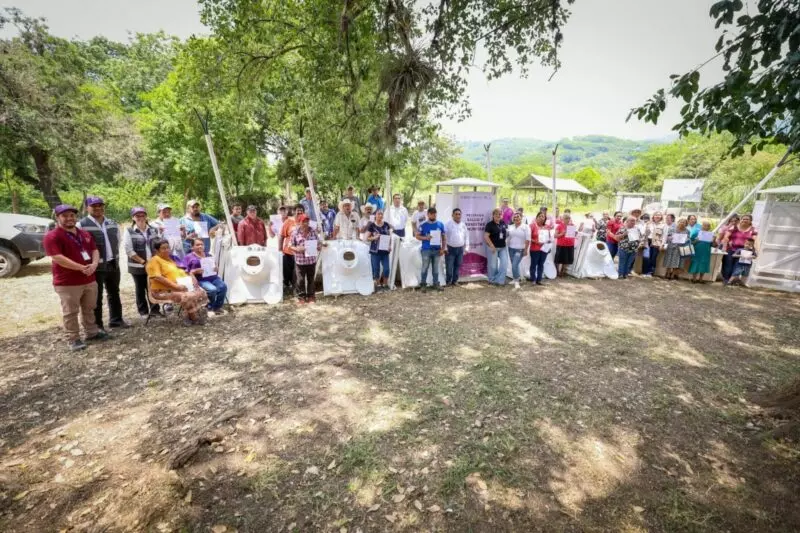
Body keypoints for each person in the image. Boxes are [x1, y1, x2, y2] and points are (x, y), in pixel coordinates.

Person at [44, 204, 110, 350]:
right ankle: (73, 338)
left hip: (89, 278)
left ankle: (91, 332)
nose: (69, 218)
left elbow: (94, 250)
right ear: (57, 217)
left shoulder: (84, 234)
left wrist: (93, 264)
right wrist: (80, 267)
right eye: (65, 216)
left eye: (72, 215)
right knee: (70, 311)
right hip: (68, 282)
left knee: (89, 307)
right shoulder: (52, 236)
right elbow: (57, 257)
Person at [77, 196, 128, 330]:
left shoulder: (112, 223)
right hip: (96, 267)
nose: (98, 208)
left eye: (100, 205)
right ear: (87, 208)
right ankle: (98, 325)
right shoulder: (81, 225)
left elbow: (119, 239)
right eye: (94, 206)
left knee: (114, 292)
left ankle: (116, 320)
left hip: (113, 263)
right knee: (96, 297)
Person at [146, 238, 209, 325]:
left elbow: (183, 271)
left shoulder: (171, 259)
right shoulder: (154, 260)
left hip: (180, 287)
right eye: (163, 248)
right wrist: (176, 287)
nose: (167, 250)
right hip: (162, 291)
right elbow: (157, 277)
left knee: (200, 291)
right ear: (157, 250)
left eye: (168, 247)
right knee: (187, 296)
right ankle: (194, 317)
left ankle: (187, 314)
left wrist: (191, 277)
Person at [123, 207, 161, 318]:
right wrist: (143, 262)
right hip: (137, 266)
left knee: (153, 287)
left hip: (153, 265)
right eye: (137, 216)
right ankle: (143, 312)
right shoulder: (129, 231)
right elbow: (129, 250)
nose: (140, 218)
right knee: (140, 289)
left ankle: (155, 310)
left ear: (146, 216)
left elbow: (158, 246)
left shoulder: (154, 229)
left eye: (142, 215)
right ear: (133, 218)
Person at [184, 238, 228, 315]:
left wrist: (215, 268)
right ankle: (209, 308)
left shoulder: (208, 255)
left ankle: (217, 307)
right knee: (212, 289)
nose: (200, 246)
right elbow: (186, 271)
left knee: (223, 287)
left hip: (212, 277)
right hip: (200, 279)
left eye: (202, 244)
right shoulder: (188, 257)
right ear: (192, 247)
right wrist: (195, 271)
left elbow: (214, 267)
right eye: (197, 245)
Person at [289, 215, 322, 303]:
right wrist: (297, 249)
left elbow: (318, 243)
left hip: (311, 260)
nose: (306, 223)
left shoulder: (313, 231)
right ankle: (301, 297)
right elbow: (290, 246)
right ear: (299, 222)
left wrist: (319, 247)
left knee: (311, 279)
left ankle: (311, 296)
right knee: (300, 280)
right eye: (304, 221)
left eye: (307, 221)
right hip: (300, 261)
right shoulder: (295, 232)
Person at [416, 207, 446, 292]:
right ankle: (423, 284)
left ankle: (436, 284)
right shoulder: (423, 225)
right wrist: (426, 238)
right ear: (428, 214)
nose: (434, 215)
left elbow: (444, 238)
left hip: (437, 250)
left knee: (436, 268)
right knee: (425, 267)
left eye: (435, 213)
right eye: (432, 214)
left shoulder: (440, 224)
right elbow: (417, 236)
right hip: (426, 250)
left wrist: (443, 249)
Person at [721, 213, 757, 283]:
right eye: (743, 219)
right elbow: (726, 236)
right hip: (731, 249)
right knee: (728, 265)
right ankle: (726, 279)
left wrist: (756, 250)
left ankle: (731, 280)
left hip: (744, 251)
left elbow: (755, 240)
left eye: (747, 219)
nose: (745, 220)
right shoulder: (734, 227)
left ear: (750, 221)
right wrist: (725, 245)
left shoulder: (753, 229)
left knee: (737, 266)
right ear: (740, 220)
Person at [366, 209, 393, 291]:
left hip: (385, 251)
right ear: (375, 215)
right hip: (375, 251)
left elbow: (389, 236)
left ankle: (385, 284)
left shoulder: (386, 225)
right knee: (376, 269)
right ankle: (377, 285)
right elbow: (367, 238)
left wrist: (389, 245)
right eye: (379, 214)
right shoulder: (371, 226)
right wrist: (374, 237)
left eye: (381, 214)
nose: (380, 216)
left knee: (386, 269)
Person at [280, 205, 305, 289]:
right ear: (294, 211)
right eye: (298, 210)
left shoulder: (305, 221)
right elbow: (281, 235)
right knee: (287, 271)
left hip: (299, 252)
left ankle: (296, 288)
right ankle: (287, 285)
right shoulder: (288, 221)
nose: (299, 212)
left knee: (297, 271)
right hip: (288, 251)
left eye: (301, 210)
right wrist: (280, 249)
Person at [484, 208, 509, 286]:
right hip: (493, 248)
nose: (498, 215)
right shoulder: (489, 224)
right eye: (496, 214)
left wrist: (506, 240)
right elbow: (486, 236)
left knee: (504, 264)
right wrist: (492, 246)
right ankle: (492, 280)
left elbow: (506, 233)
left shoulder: (503, 223)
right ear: (493, 215)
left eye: (500, 214)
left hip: (503, 248)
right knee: (493, 266)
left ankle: (500, 280)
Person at [444, 208, 468, 286]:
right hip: (450, 248)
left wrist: (466, 247)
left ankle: (455, 281)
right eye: (456, 214)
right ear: (452, 215)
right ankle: (448, 281)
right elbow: (444, 237)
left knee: (458, 265)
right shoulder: (447, 224)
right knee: (449, 266)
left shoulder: (463, 224)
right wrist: (445, 248)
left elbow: (466, 236)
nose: (458, 216)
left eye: (459, 214)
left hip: (460, 248)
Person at [507, 212, 530, 289]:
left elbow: (528, 239)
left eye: (518, 216)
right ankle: (515, 278)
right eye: (515, 217)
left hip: (520, 249)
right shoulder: (510, 227)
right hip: (511, 249)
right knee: (514, 265)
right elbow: (508, 237)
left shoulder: (525, 227)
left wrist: (526, 250)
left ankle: (517, 281)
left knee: (514, 265)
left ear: (521, 218)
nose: (516, 218)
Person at [529, 211, 550, 286]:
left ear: (545, 218)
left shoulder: (547, 226)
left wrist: (548, 241)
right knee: (534, 264)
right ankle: (533, 279)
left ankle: (539, 279)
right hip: (535, 248)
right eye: (540, 216)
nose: (541, 218)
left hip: (544, 249)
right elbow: (528, 237)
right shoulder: (532, 225)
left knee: (541, 264)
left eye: (543, 216)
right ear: (536, 217)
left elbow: (549, 237)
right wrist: (536, 242)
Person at [643, 211, 666, 277]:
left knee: (653, 258)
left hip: (657, 243)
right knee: (646, 256)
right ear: (653, 216)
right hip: (648, 241)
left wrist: (662, 244)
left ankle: (650, 272)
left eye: (659, 215)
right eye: (656, 215)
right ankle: (645, 271)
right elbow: (645, 233)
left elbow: (664, 236)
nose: (657, 216)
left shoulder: (664, 225)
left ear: (661, 217)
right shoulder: (649, 223)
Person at [554, 213, 577, 277]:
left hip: (570, 244)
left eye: (569, 218)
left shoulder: (572, 225)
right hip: (561, 245)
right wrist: (562, 234)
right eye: (566, 218)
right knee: (558, 259)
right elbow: (555, 235)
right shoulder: (559, 226)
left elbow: (574, 234)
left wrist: (575, 233)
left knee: (566, 260)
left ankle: (562, 272)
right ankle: (557, 271)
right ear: (563, 219)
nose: (568, 219)